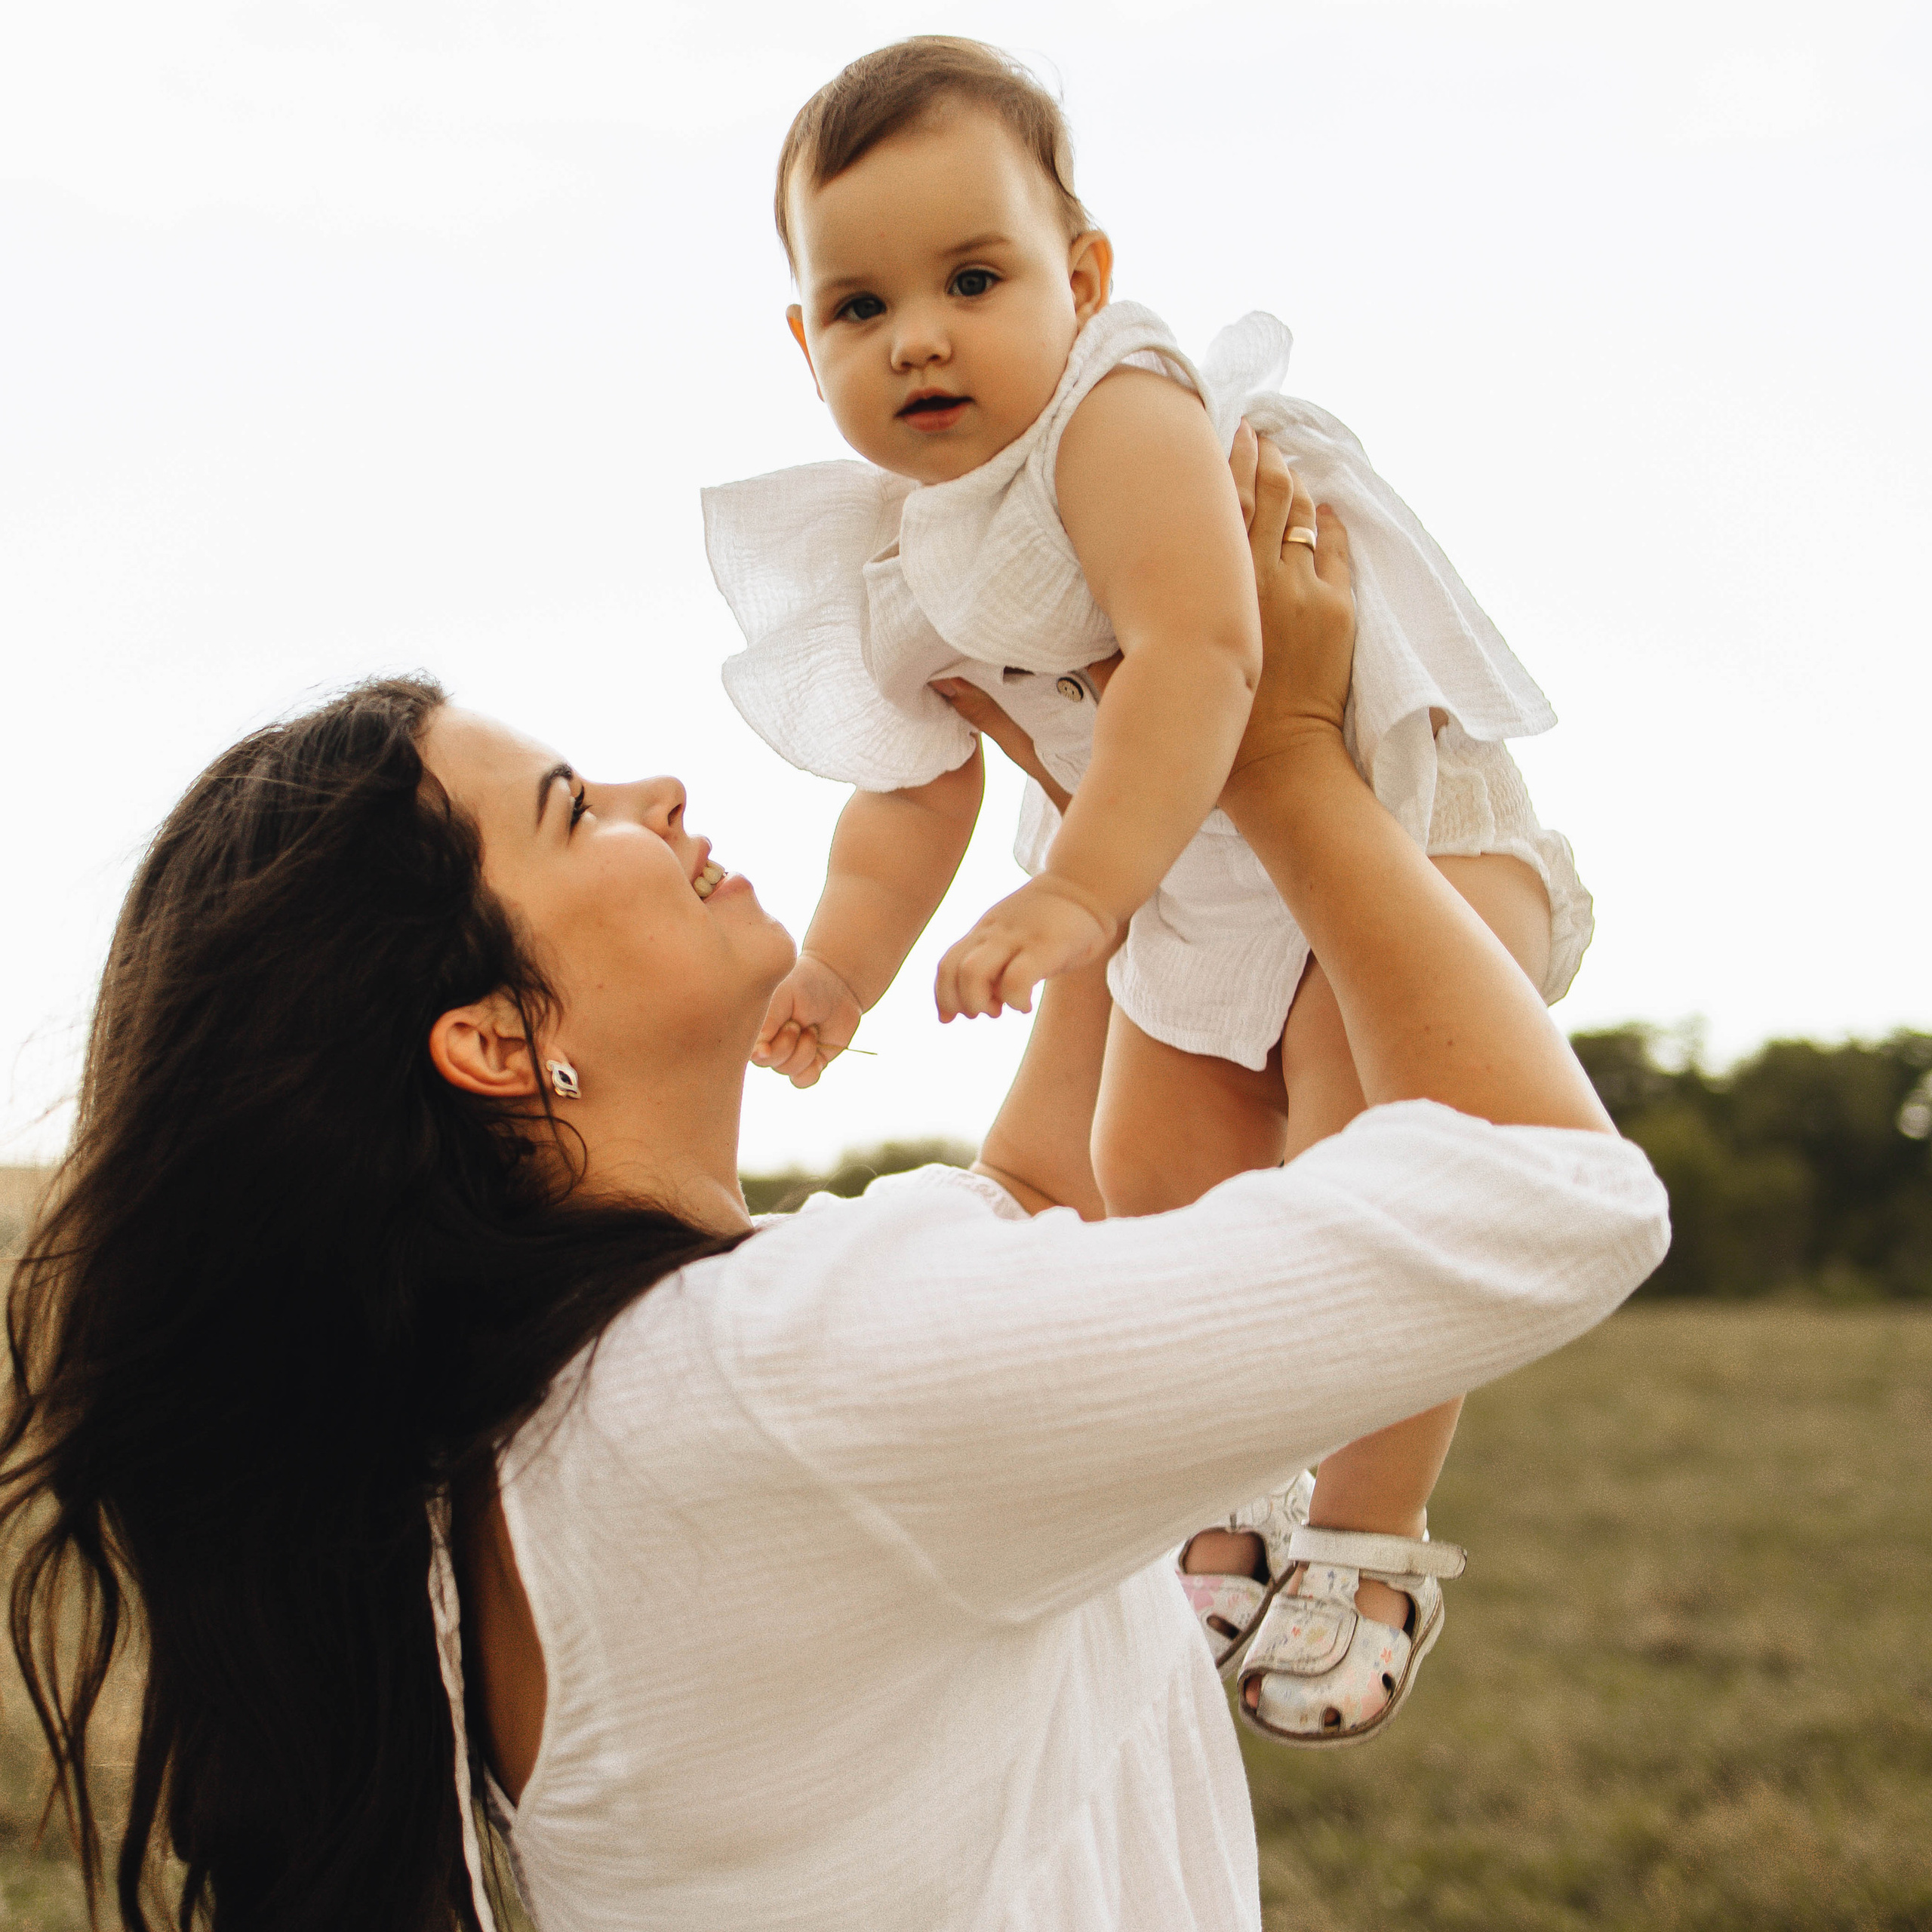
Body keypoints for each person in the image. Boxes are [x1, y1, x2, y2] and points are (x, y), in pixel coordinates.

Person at [1, 424, 1663, 1930]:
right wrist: (1290, 758)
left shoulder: (566, 1422)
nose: (656, 794)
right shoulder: (784, 1376)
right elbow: (1546, 1195)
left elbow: (1031, 1193)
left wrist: (1125, 824)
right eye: (577, 811)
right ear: (497, 1041)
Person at [703, 34, 1593, 1743]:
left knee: (1365, 1142)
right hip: (1180, 884)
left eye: (972, 276)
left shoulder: (1120, 409)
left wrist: (1079, 899)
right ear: (803, 339)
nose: (920, 335)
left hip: (1382, 833)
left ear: (1082, 274)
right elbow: (910, 786)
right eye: (857, 306)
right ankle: (1235, 1473)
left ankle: (1372, 1527)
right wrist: (839, 964)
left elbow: (1203, 651)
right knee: (1150, 1164)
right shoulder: (899, 533)